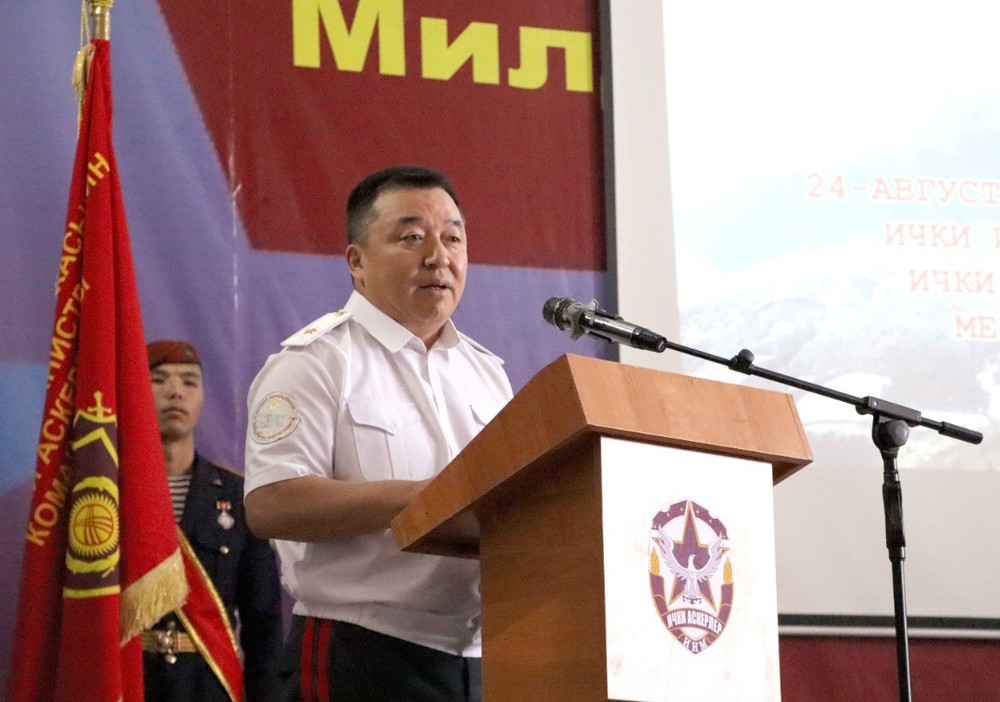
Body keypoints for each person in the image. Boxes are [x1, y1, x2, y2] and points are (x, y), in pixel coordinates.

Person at [243, 165, 514, 702]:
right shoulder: (315, 362)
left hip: (483, 660)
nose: (438, 257)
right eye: (412, 237)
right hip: (361, 651)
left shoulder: (487, 373)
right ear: (357, 261)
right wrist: (429, 499)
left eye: (453, 238)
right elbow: (271, 505)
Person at [143, 339, 284, 702]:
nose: (176, 392)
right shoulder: (111, 494)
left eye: (190, 382)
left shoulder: (238, 497)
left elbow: (263, 624)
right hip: (131, 681)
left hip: (207, 685)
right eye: (159, 380)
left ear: (203, 397)